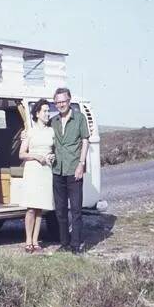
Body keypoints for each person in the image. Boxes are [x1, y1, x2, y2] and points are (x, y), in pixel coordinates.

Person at [50, 87, 90, 253]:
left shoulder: (79, 118)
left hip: (74, 169)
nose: (61, 104)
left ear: (69, 100)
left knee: (76, 210)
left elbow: (85, 141)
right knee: (60, 211)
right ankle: (64, 243)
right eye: (58, 102)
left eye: (63, 101)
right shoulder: (53, 121)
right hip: (58, 170)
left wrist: (81, 164)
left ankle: (76, 245)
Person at [18, 98, 55, 253]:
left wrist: (53, 157)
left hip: (46, 170)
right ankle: (28, 241)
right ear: (37, 113)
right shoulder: (30, 132)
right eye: (45, 111)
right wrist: (35, 156)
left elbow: (55, 149)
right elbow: (21, 154)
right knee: (31, 208)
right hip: (33, 170)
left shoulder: (51, 131)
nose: (48, 114)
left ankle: (35, 241)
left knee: (40, 207)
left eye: (48, 111)